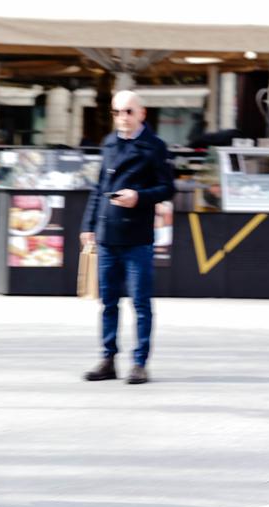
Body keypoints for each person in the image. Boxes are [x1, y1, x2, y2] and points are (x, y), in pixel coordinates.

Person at [80, 91, 175, 385]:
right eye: (117, 112)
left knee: (140, 303)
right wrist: (88, 224)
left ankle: (139, 362)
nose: (122, 118)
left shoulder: (154, 147)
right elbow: (99, 187)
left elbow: (167, 188)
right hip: (108, 235)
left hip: (136, 237)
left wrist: (139, 197)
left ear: (141, 113)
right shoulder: (110, 142)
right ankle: (108, 358)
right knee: (108, 302)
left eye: (128, 112)